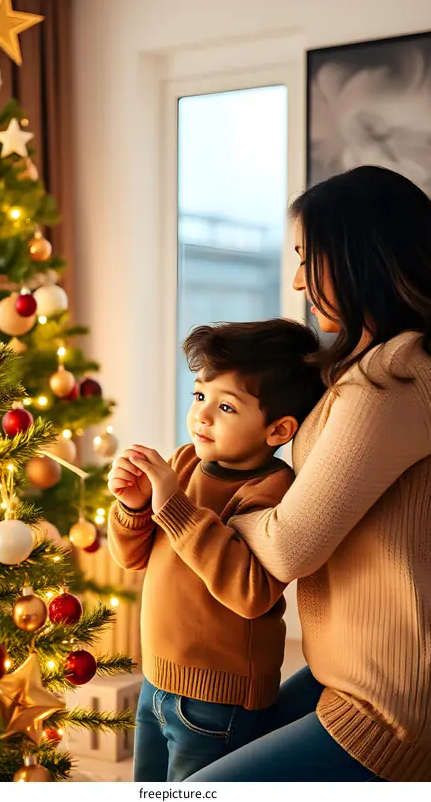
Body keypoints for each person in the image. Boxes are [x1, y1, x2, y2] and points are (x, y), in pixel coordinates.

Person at [168, 165, 431, 782]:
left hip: (397, 705)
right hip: (384, 675)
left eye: (310, 259)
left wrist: (203, 508)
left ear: (362, 257)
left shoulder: (396, 378)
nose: (297, 280)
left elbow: (288, 547)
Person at [106, 318, 325, 782]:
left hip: (218, 702)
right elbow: (132, 557)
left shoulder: (272, 490)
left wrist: (174, 505)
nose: (202, 416)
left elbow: (251, 591)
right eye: (200, 396)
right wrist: (134, 507)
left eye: (226, 406)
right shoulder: (185, 462)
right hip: (157, 677)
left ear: (277, 430)